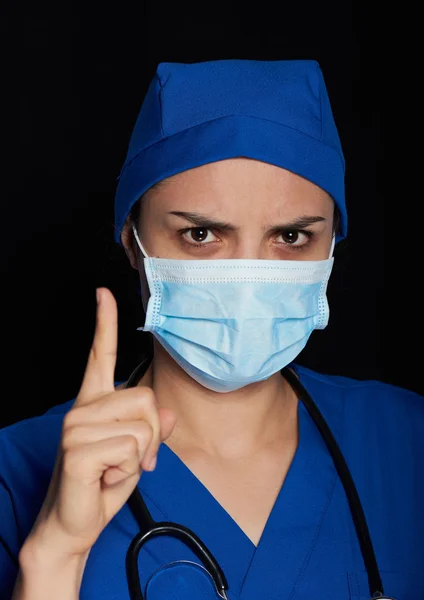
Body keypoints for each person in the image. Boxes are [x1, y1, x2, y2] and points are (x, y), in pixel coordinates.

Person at [1, 59, 423, 600]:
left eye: (291, 237)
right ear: (132, 242)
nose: (248, 277)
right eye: (201, 234)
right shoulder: (17, 478)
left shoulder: (407, 441)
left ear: (333, 246)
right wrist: (55, 553)